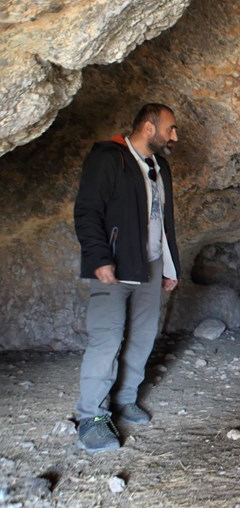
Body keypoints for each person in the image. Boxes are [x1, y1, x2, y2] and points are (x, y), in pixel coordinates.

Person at [73, 103, 181, 453]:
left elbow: (165, 223)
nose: (174, 135)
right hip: (114, 267)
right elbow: (87, 212)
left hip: (148, 266)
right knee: (106, 339)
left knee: (143, 336)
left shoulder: (160, 167)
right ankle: (91, 416)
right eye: (170, 128)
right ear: (149, 128)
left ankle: (124, 398)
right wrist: (99, 259)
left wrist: (170, 267)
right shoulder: (110, 157)